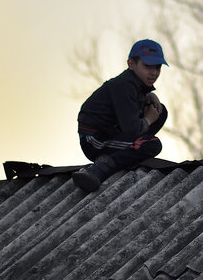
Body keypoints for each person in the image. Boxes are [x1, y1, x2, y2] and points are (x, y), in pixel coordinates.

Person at [72, 39, 169, 192]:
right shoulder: (124, 85)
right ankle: (100, 168)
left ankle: (130, 153)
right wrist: (148, 119)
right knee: (152, 144)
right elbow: (131, 128)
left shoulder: (134, 85)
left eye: (157, 67)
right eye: (148, 66)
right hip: (95, 141)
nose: (154, 72)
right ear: (131, 64)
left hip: (112, 134)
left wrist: (148, 95)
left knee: (160, 111)